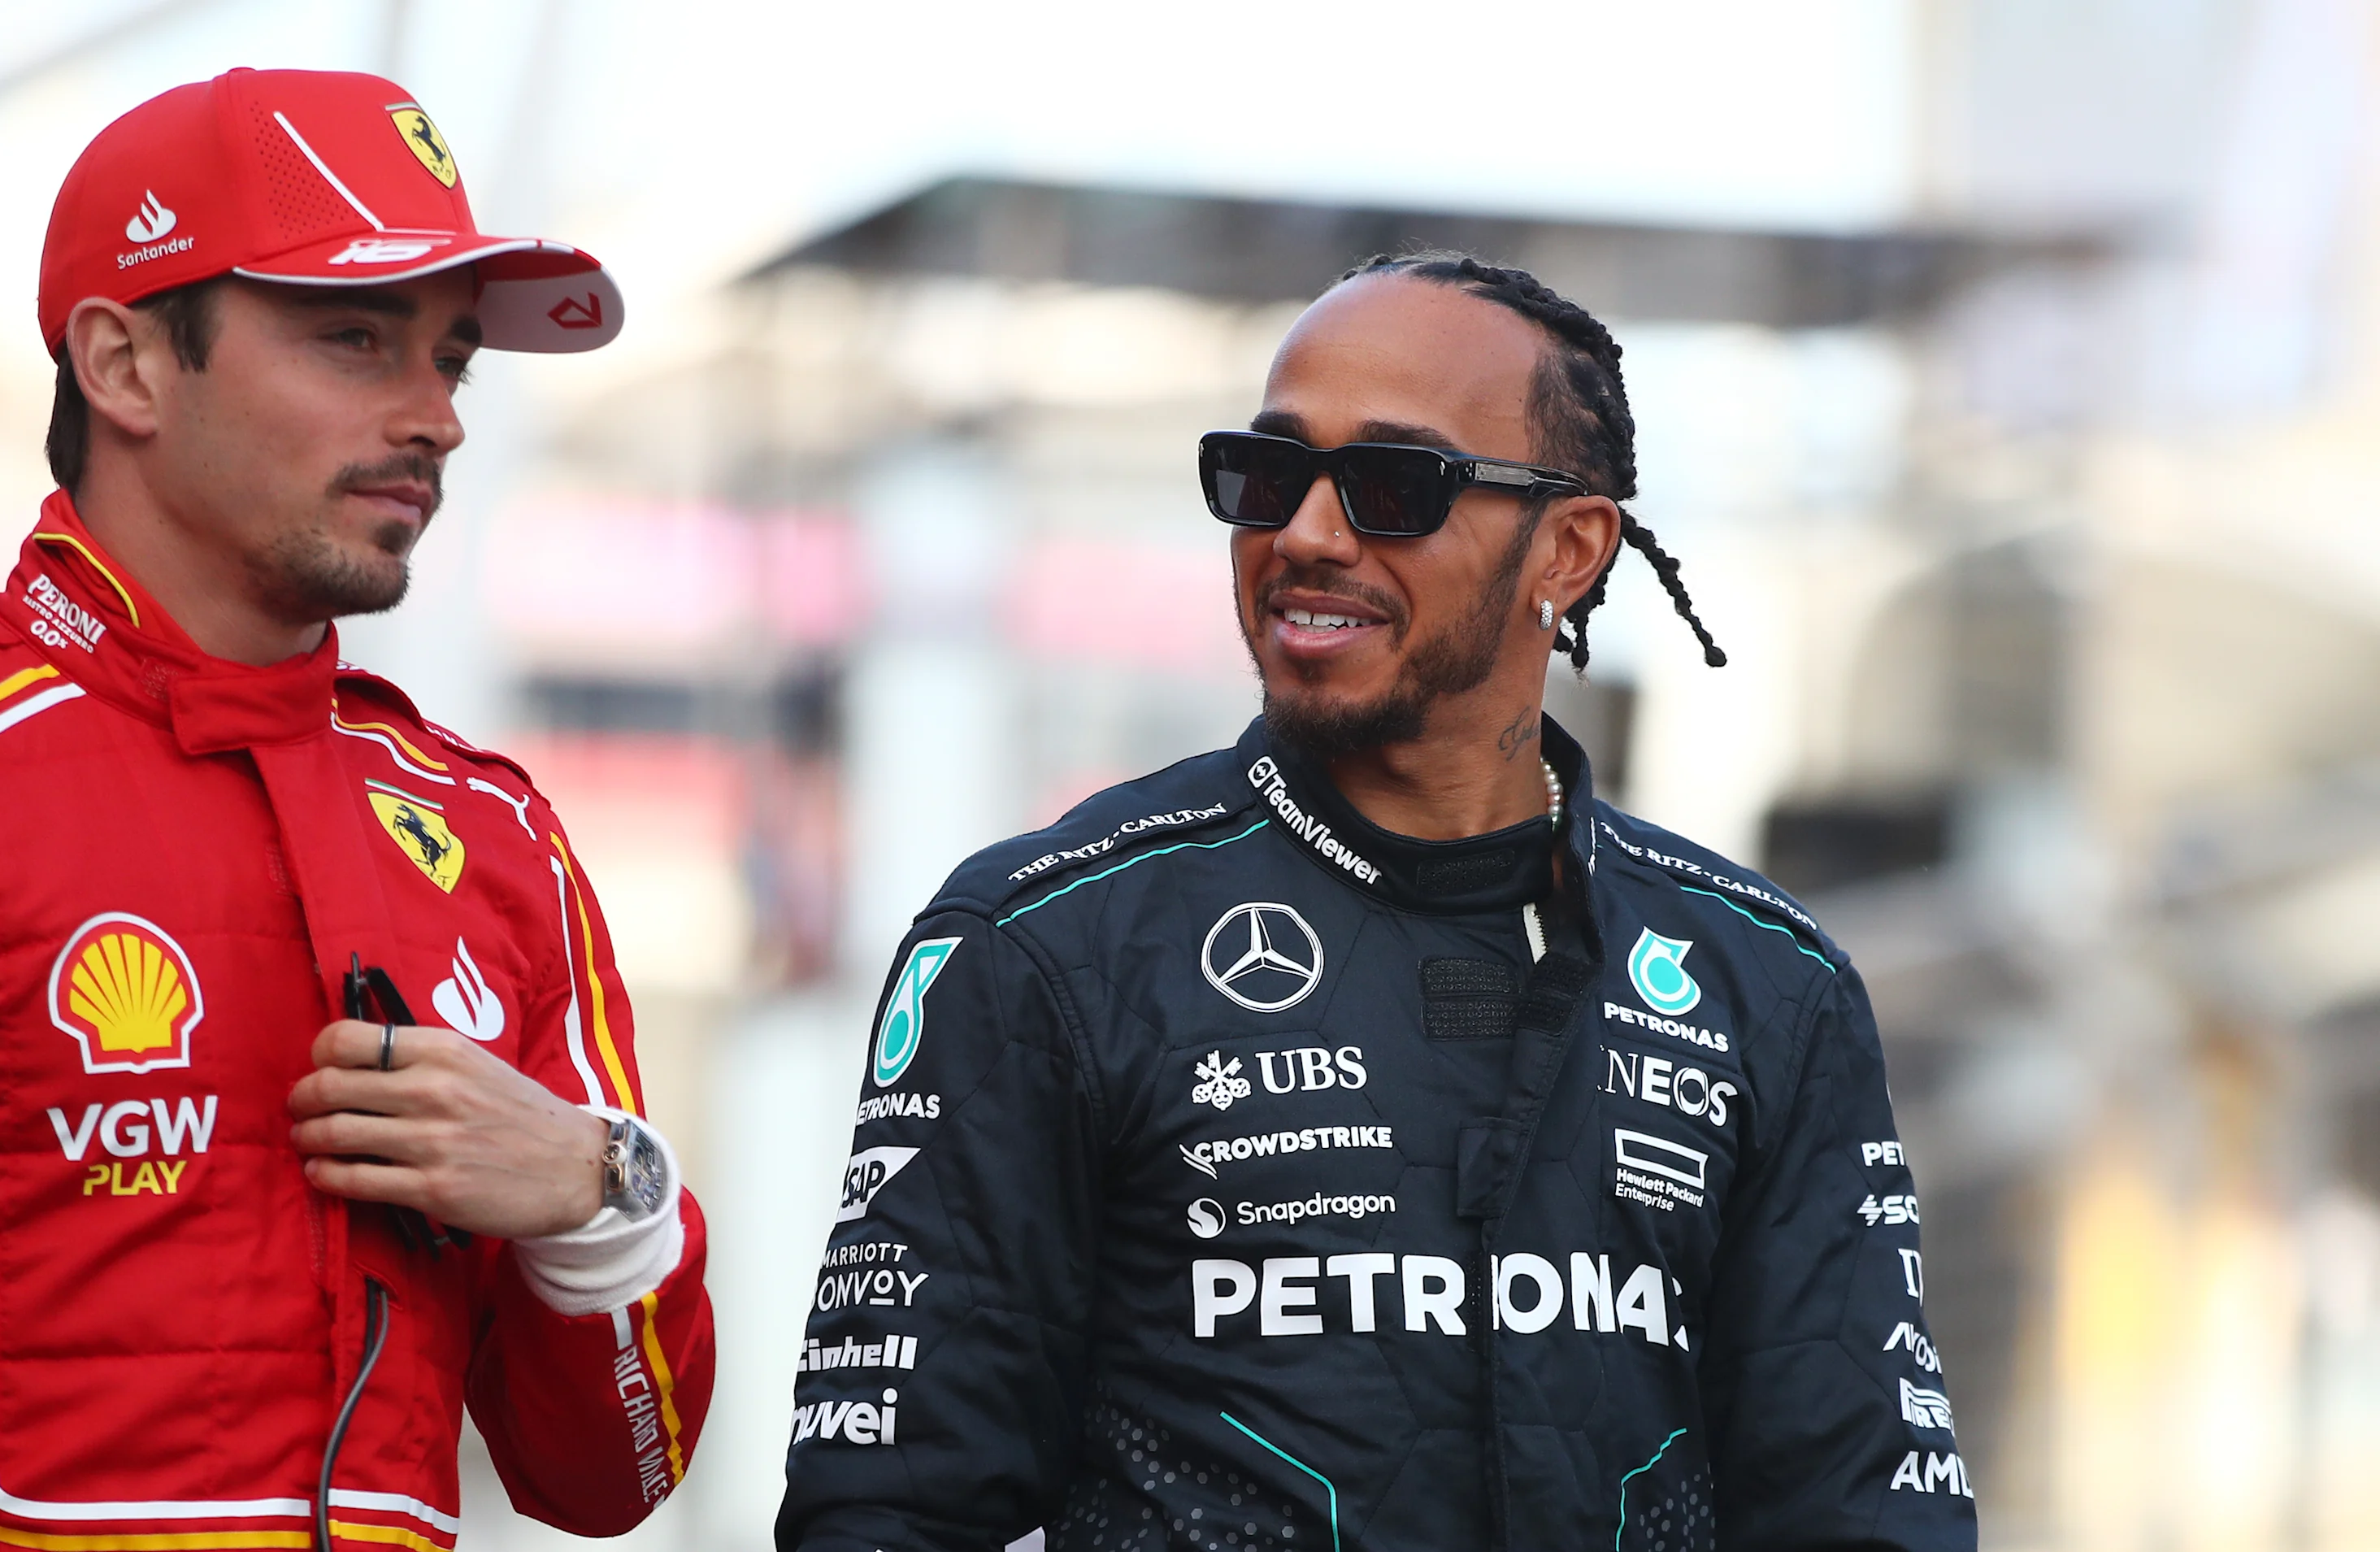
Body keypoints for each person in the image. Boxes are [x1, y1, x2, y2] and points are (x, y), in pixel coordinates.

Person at [0, 68, 710, 1551]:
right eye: (354, 339)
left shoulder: (495, 839)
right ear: (126, 367)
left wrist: (601, 1194)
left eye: (451, 360)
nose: (434, 418)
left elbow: (613, 1482)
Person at [780, 254, 1971, 1551]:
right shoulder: (1045, 942)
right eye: (1268, 473)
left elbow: (1864, 1512)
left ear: (1568, 551)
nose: (1306, 534)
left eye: (1395, 487)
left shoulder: (1764, 984)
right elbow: (886, 1512)